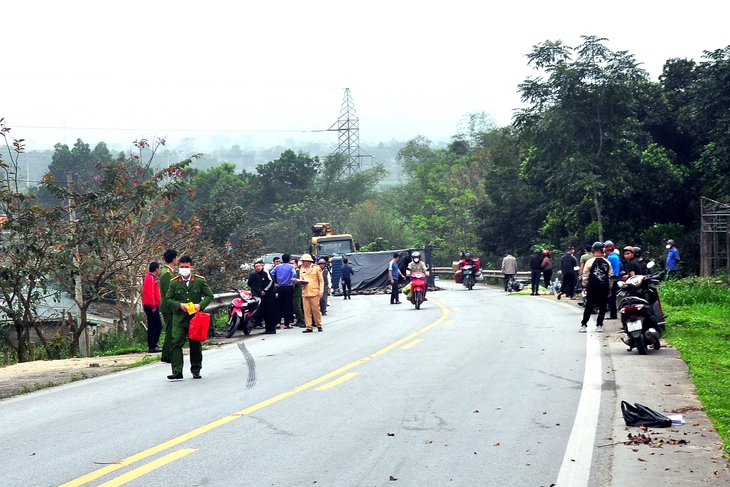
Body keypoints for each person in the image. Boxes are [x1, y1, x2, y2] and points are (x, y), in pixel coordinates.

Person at [165, 255, 214, 380]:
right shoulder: (174, 282)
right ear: (179, 267)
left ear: (191, 267)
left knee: (195, 343)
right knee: (176, 342)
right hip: (179, 318)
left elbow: (209, 295)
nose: (184, 269)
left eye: (186, 267)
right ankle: (177, 370)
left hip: (195, 318)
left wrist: (200, 305)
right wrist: (179, 305)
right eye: (182, 267)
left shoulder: (199, 281)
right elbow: (168, 299)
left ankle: (196, 369)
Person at [580, 242, 613, 333]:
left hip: (592, 287)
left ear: (593, 250)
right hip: (604, 287)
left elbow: (585, 274)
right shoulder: (607, 262)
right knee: (602, 307)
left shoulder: (589, 262)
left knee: (589, 306)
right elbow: (610, 276)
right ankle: (599, 325)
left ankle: (583, 324)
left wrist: (584, 286)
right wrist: (610, 288)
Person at [159, 249, 178, 363]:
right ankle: (168, 355)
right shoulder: (167, 274)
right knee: (171, 331)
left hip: (168, 306)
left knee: (170, 331)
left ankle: (166, 355)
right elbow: (168, 294)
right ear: (174, 258)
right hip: (168, 307)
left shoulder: (168, 272)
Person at [247, 260, 276, 334]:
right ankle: (267, 329)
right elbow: (250, 284)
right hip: (261, 296)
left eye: (259, 266)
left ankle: (272, 329)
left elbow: (271, 281)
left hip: (270, 294)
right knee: (265, 312)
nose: (258, 268)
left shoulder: (266, 272)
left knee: (270, 312)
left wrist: (265, 290)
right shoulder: (254, 275)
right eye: (256, 267)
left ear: (262, 266)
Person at [270, 253, 296, 329]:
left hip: (279, 287)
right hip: (288, 287)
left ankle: (278, 323)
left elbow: (271, 273)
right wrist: (292, 283)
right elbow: (294, 275)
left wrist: (274, 283)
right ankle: (286, 324)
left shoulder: (278, 267)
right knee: (287, 306)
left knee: (279, 305)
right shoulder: (291, 266)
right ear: (289, 259)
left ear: (282, 259)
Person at [299, 254, 324, 332]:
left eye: (304, 261)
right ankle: (309, 326)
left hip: (314, 292)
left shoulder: (316, 268)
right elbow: (301, 279)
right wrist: (300, 282)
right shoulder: (301, 269)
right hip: (305, 292)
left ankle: (319, 324)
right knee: (306, 311)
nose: (302, 263)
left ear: (308, 261)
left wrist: (321, 291)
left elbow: (321, 281)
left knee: (316, 310)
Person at [142, 262, 163, 353]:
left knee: (151, 326)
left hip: (148, 305)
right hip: (151, 306)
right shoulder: (150, 278)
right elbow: (150, 293)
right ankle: (154, 344)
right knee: (158, 326)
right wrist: (153, 305)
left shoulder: (149, 278)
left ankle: (151, 345)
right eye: (159, 269)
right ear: (156, 269)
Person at [603, 240, 621, 320]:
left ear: (606, 249)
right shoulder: (616, 257)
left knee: (610, 297)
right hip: (616, 278)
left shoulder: (610, 258)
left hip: (611, 279)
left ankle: (613, 314)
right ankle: (613, 314)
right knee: (612, 296)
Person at [291, 257, 305, 327]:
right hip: (293, 290)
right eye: (290, 263)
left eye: (293, 263)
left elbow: (299, 280)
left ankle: (302, 320)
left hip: (298, 290)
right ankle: (298, 320)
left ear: (296, 264)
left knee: (297, 306)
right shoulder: (292, 271)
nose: (291, 265)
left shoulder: (298, 271)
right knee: (295, 306)